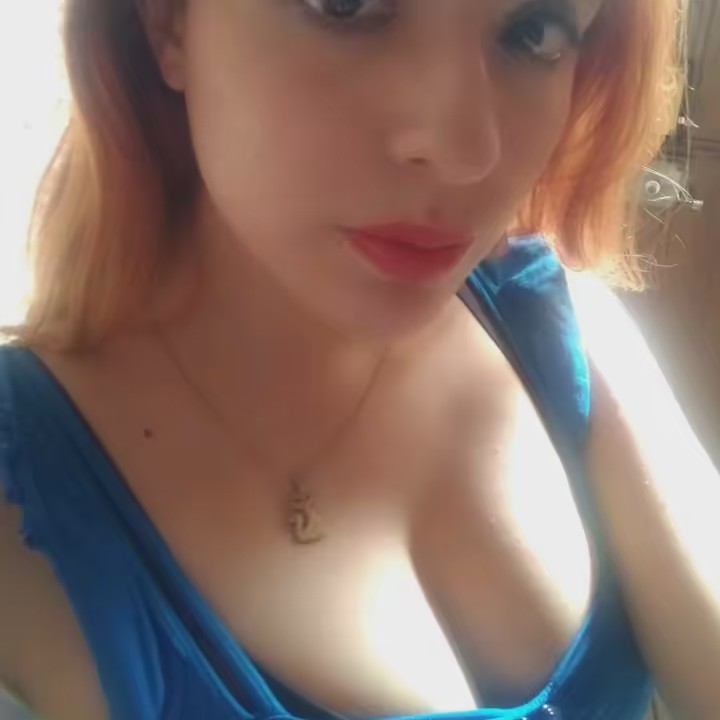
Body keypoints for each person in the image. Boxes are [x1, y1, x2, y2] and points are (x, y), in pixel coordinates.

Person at [1, 0, 718, 718]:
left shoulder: (559, 330)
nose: (468, 150)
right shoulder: (24, 511)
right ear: (168, 22)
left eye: (533, 33)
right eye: (347, 5)